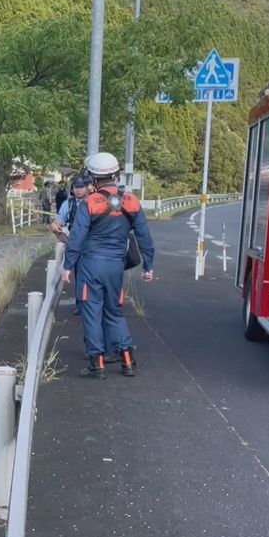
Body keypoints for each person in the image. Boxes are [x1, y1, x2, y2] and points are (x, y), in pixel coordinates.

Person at [61, 152, 155, 379]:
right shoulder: (131, 201)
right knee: (114, 312)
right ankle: (127, 361)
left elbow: (76, 236)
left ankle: (97, 365)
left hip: (91, 265)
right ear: (116, 174)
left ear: (92, 178)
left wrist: (67, 265)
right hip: (116, 265)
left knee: (92, 311)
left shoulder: (89, 203)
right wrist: (148, 265)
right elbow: (144, 235)